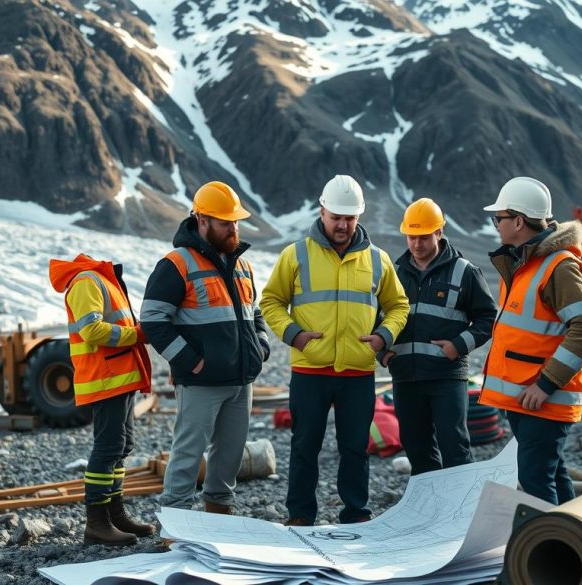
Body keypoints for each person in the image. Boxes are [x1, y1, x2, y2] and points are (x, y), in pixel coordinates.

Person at [260, 174, 409, 526]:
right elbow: (271, 302)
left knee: (355, 449)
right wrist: (293, 334)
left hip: (358, 373)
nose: (342, 224)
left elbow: (399, 305)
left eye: (350, 218)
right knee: (304, 447)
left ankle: (356, 514)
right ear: (322, 210)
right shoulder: (295, 255)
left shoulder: (378, 260)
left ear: (359, 216)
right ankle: (300, 515)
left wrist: (384, 337)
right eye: (336, 217)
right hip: (310, 370)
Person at [140, 181, 270, 517]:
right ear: (202, 221)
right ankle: (174, 522)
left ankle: (218, 514)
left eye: (236, 221)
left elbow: (252, 311)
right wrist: (191, 361)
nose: (233, 228)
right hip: (200, 382)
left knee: (229, 453)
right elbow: (153, 320)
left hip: (242, 380)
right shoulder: (176, 263)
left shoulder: (243, 264)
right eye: (225, 222)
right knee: (188, 453)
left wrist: (262, 344)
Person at [478, 177, 582, 505]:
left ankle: (548, 553)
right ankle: (572, 545)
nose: (496, 225)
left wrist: (545, 385)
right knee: (552, 474)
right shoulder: (523, 264)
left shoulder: (558, 267)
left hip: (542, 399)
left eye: (500, 218)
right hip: (526, 398)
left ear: (519, 221)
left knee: (535, 481)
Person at [379, 198, 497, 475]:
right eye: (411, 237)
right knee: (417, 449)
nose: (417, 244)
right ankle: (430, 513)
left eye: (423, 237)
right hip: (406, 377)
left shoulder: (465, 272)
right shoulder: (394, 274)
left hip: (446, 376)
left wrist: (458, 346)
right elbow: (377, 317)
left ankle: (461, 515)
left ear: (439, 232)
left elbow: (488, 318)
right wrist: (381, 351)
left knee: (454, 447)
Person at [48, 253, 155, 546]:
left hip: (119, 378)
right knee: (108, 448)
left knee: (122, 446)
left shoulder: (102, 280)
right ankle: (96, 524)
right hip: (105, 378)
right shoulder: (87, 281)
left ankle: (114, 514)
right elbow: (91, 331)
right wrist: (136, 335)